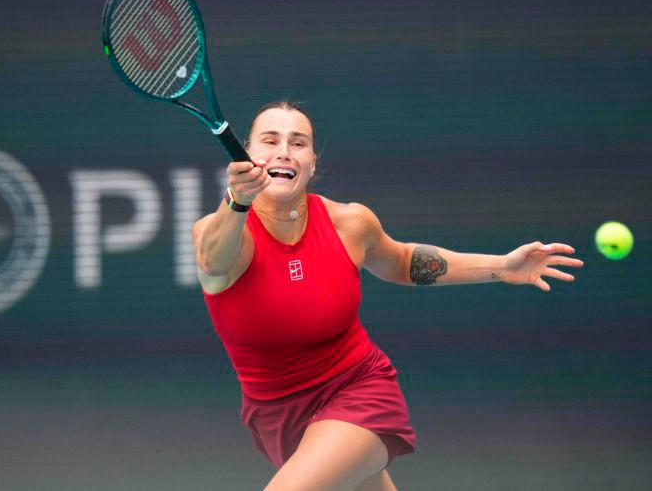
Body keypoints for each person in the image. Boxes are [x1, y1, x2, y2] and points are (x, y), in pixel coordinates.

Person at [192, 101, 583, 491]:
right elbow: (213, 260)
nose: (283, 151)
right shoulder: (221, 233)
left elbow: (402, 261)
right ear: (247, 156)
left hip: (358, 388)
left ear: (312, 162)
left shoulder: (350, 223)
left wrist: (501, 266)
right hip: (277, 414)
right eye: (270, 140)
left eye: (298, 143)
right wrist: (236, 200)